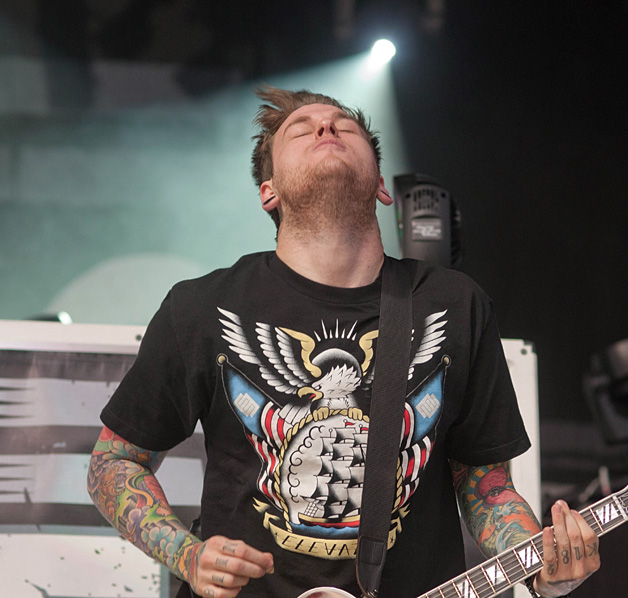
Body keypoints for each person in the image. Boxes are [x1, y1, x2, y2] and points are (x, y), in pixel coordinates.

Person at [87, 86, 600, 598]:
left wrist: (543, 568)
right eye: (301, 130)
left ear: (380, 184)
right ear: (269, 191)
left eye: (345, 126)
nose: (326, 127)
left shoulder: (454, 304)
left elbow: (485, 486)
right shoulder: (203, 307)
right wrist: (187, 554)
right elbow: (113, 462)